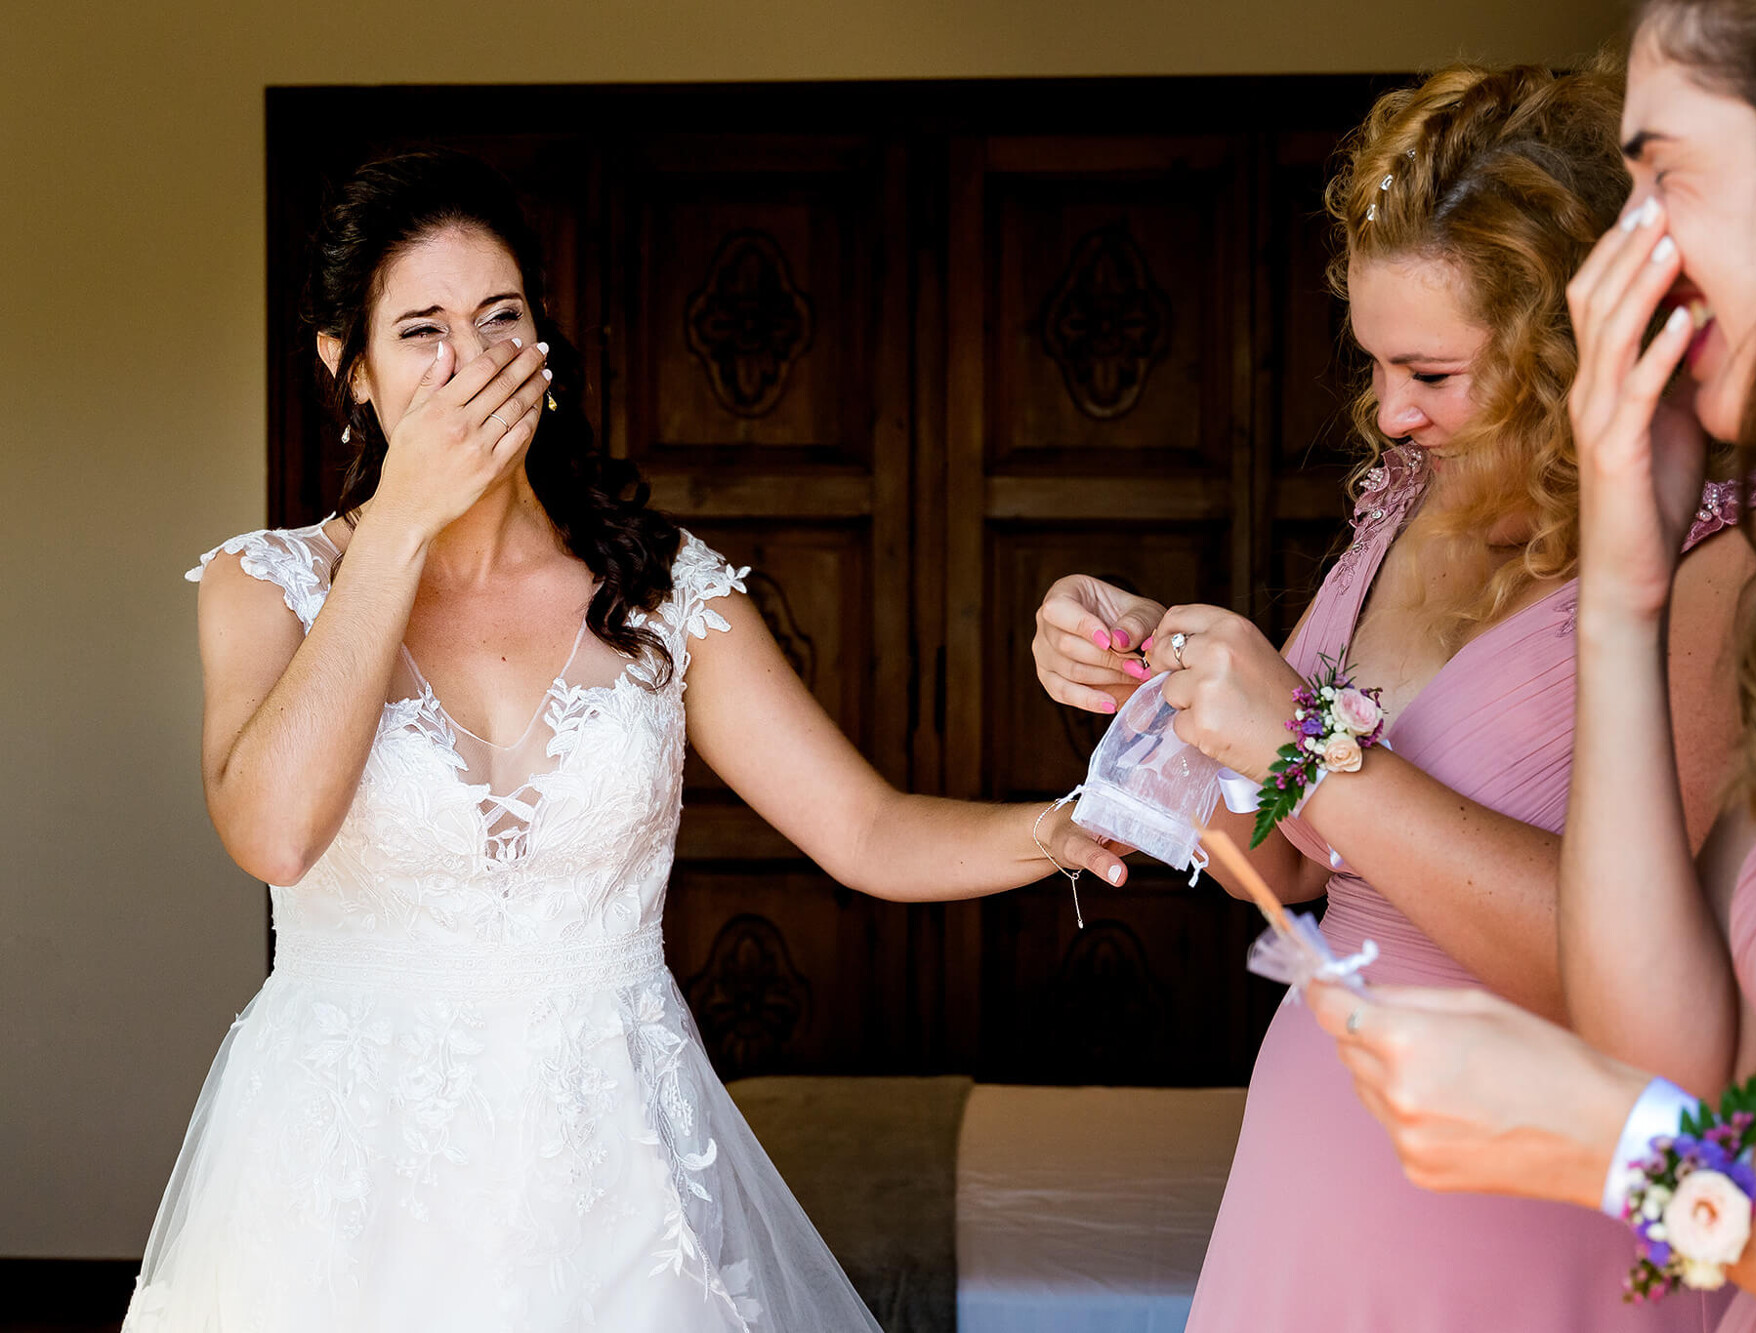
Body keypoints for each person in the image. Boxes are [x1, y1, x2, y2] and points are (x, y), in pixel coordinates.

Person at [123, 151, 1125, 1333]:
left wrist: (1066, 826)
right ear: (348, 371)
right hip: (334, 1175)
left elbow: (866, 829)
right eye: (421, 332)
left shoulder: (662, 591)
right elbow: (274, 832)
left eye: (501, 318)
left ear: (545, 344)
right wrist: (398, 523)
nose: (473, 363)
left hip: (608, 1171)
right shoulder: (267, 585)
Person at [1033, 63, 1756, 1331]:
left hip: (1524, 1189)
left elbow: (1652, 994)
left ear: (1566, 351)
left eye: (1432, 373)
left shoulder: (1722, 558)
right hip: (1315, 1160)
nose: (1387, 412)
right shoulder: (1408, 499)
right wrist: (1160, 674)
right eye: (1374, 362)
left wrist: (1309, 742)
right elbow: (1290, 858)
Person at [1304, 2, 1756, 1330]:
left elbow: (1650, 1130)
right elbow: (1668, 1063)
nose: (1617, 260)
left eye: (1666, 176)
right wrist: (1623, 603)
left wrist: (1639, 1162)